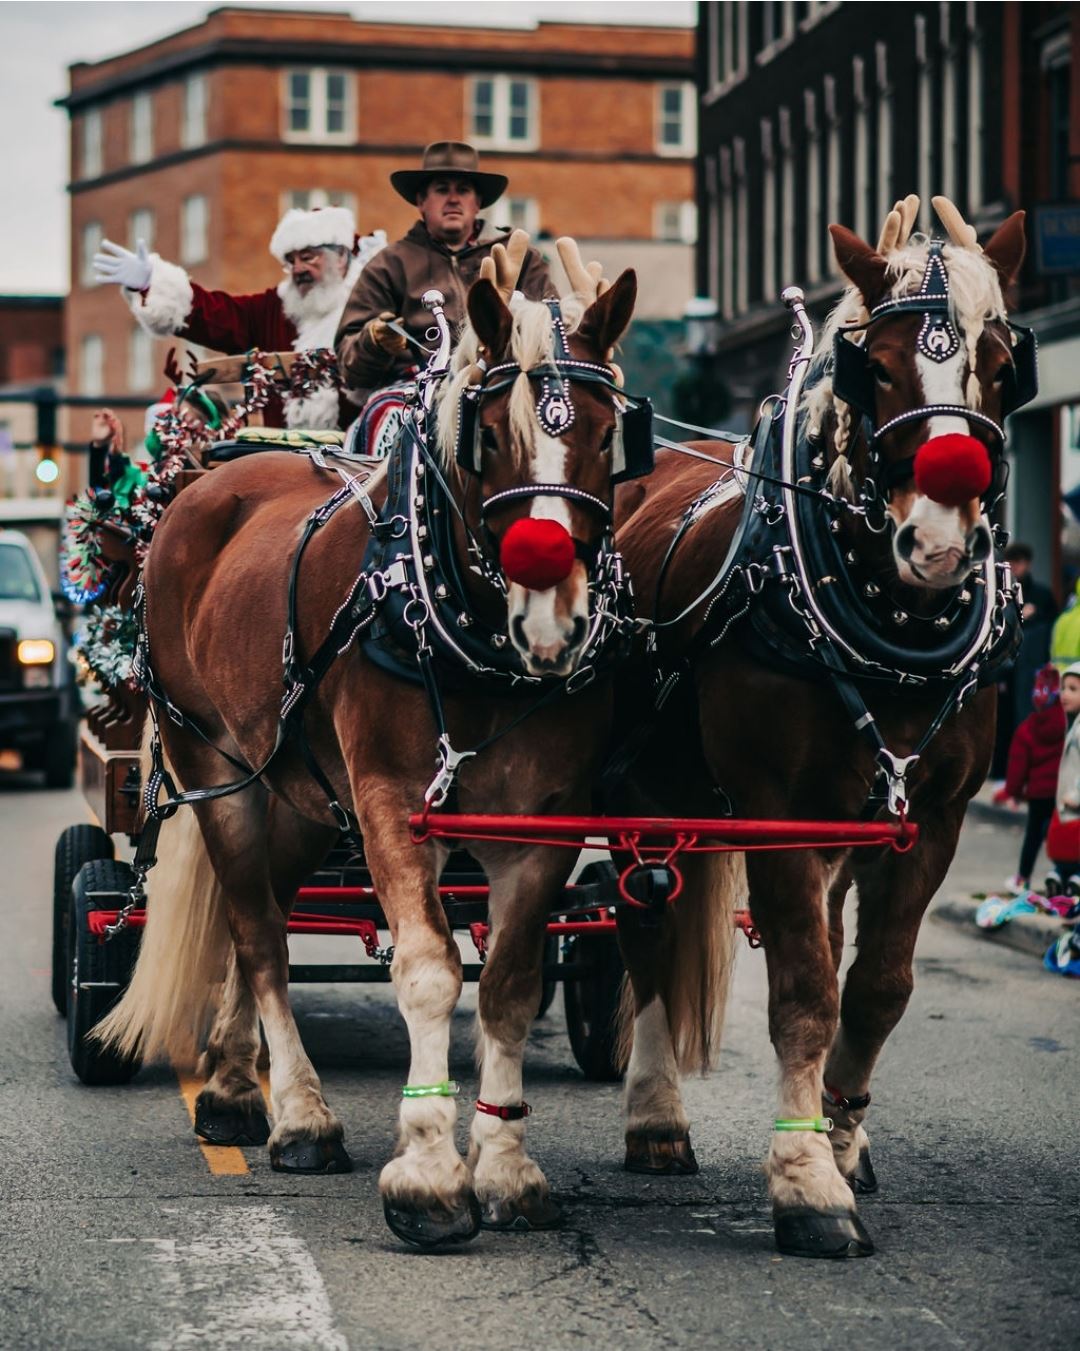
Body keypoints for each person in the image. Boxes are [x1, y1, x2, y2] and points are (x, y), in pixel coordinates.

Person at [93, 207, 385, 430]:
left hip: (364, 461)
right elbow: (215, 315)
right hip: (287, 471)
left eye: (308, 257)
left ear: (342, 256)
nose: (298, 270)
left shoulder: (376, 302)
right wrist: (151, 282)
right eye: (290, 261)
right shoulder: (276, 308)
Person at [335, 141, 555, 406]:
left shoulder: (521, 258)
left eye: (463, 190)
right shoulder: (389, 264)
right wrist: (374, 341)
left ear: (478, 203)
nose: (453, 199)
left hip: (503, 387)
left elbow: (554, 328)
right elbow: (349, 367)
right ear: (421, 202)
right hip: (414, 393)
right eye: (442, 190)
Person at [996, 664, 1065, 892]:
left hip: (1037, 793)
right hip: (1062, 792)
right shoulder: (1068, 725)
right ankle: (1063, 875)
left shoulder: (1027, 730)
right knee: (1062, 834)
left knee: (1033, 837)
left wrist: (1012, 792)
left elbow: (1018, 766)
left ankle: (1023, 878)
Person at [1044, 662, 1080, 896]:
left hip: (1074, 800)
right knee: (1065, 842)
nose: (1064, 694)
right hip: (1066, 799)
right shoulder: (1073, 724)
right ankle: (1062, 875)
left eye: (1073, 689)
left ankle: (1071, 877)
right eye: (1064, 688)